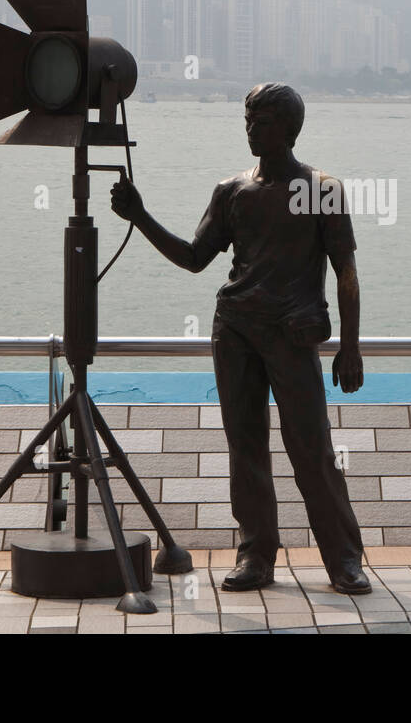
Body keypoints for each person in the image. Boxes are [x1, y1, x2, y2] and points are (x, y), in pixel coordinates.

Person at [110, 82, 371, 595]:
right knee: (245, 448)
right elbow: (193, 258)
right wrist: (139, 216)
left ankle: (343, 559)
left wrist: (351, 345)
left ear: (291, 129)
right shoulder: (231, 191)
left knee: (312, 449)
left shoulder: (321, 189)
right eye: (249, 119)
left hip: (293, 335)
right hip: (235, 331)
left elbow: (346, 270)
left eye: (264, 121)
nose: (252, 129)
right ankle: (256, 555)